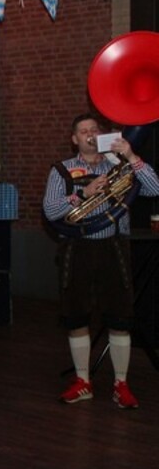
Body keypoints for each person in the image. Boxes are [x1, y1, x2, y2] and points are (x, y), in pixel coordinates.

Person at [43, 113, 159, 408]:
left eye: (95, 129)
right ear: (74, 139)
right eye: (84, 131)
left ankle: (121, 384)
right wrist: (82, 194)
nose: (90, 134)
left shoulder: (118, 166)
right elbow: (51, 210)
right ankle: (83, 381)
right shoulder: (61, 170)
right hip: (77, 247)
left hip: (113, 246)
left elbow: (155, 188)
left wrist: (130, 155)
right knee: (76, 316)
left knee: (120, 316)